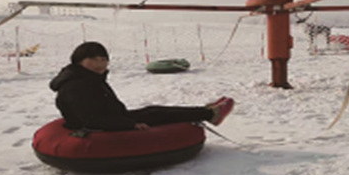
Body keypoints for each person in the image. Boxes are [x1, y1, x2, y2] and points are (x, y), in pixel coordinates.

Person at [49, 42, 234, 131]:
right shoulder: (77, 86)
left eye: (103, 60)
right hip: (97, 129)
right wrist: (130, 124)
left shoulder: (87, 78)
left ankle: (207, 112)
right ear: (79, 61)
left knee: (154, 110)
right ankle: (210, 114)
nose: (100, 64)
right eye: (93, 60)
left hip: (113, 118)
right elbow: (90, 120)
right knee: (156, 114)